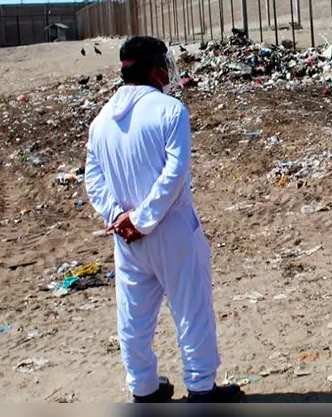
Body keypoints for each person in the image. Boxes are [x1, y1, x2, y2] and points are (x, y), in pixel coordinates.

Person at [84, 36, 244, 404]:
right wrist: (143, 218)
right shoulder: (170, 111)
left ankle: (143, 387)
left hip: (127, 239)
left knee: (134, 318)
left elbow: (93, 178)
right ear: (156, 69)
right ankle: (201, 387)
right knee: (191, 309)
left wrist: (118, 216)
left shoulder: (101, 120)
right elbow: (175, 173)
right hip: (170, 228)